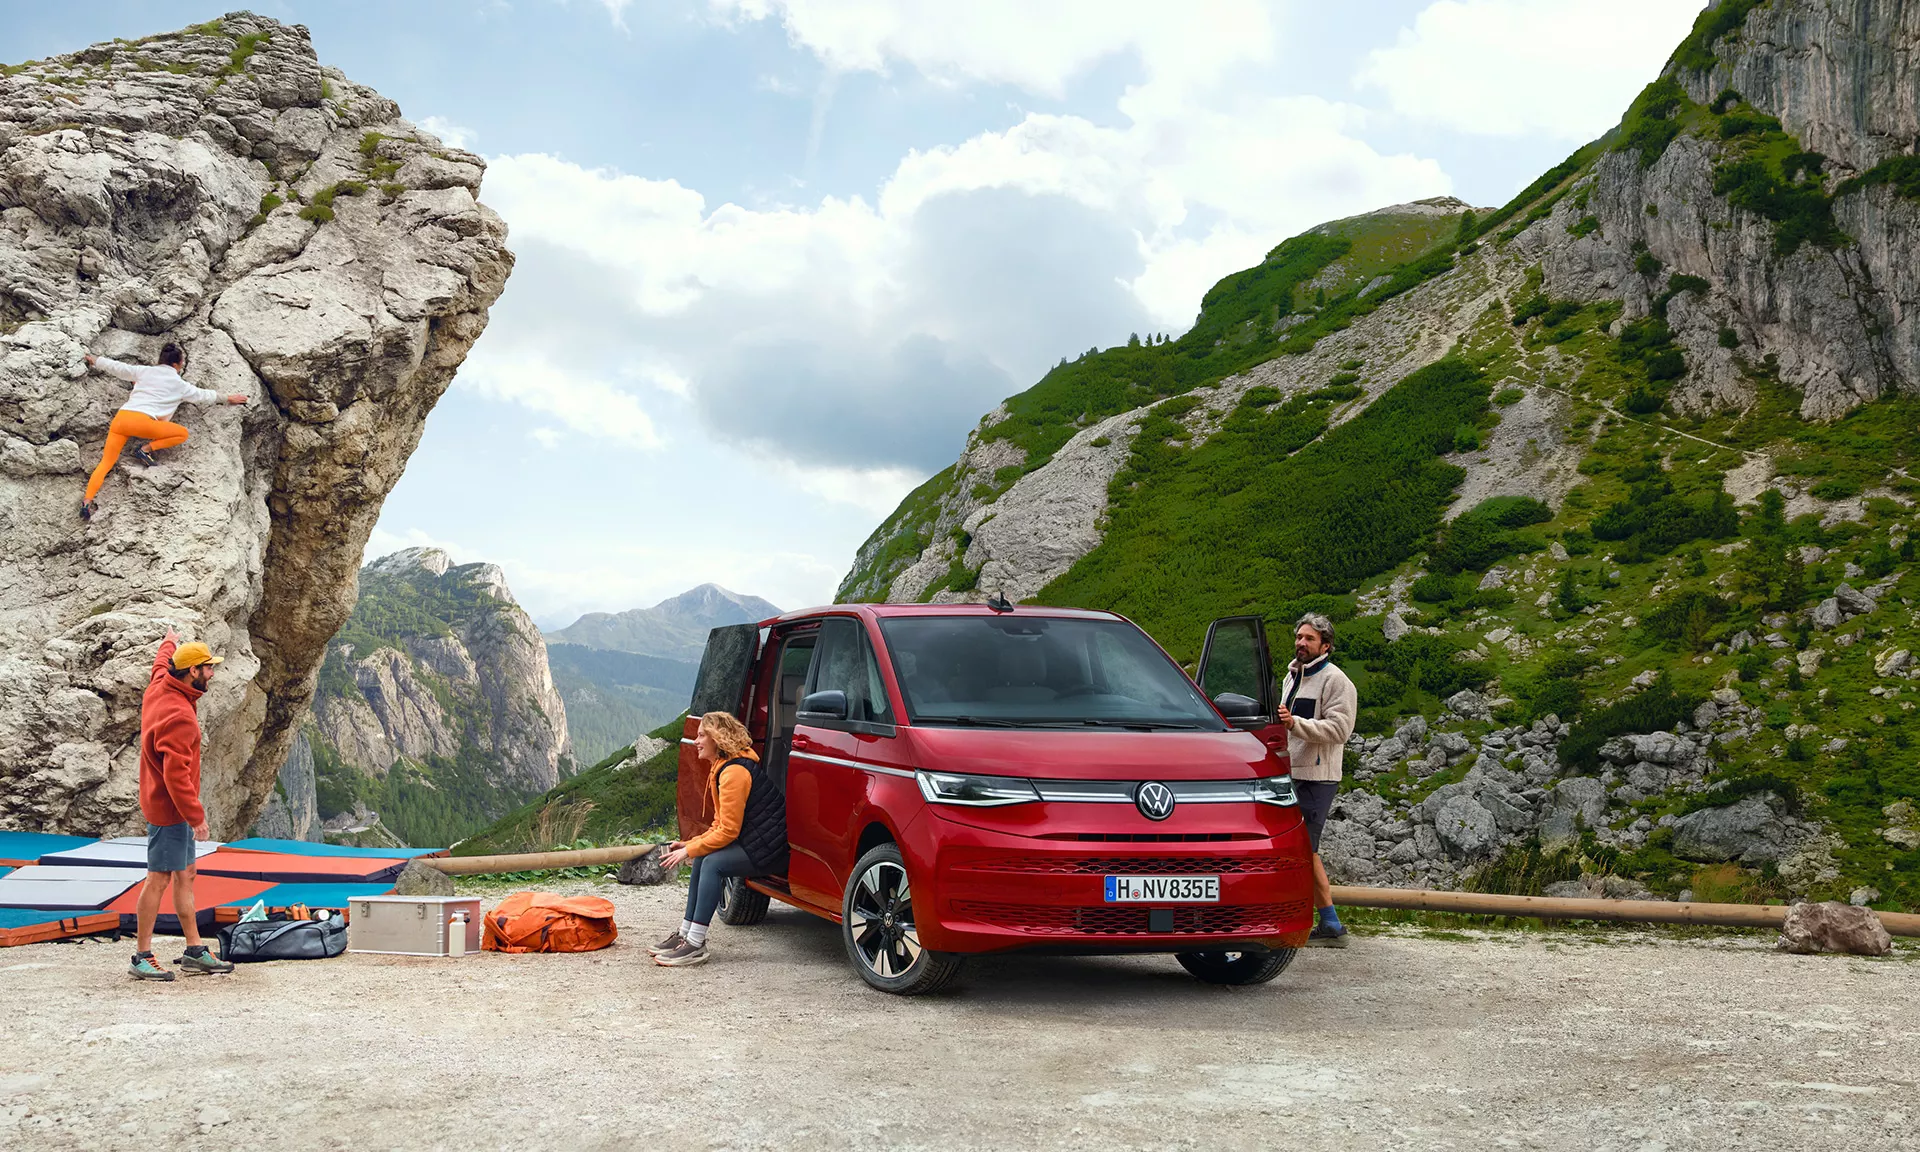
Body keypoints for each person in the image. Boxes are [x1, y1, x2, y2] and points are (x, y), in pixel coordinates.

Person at [129, 630, 235, 980]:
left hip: (165, 804)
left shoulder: (161, 684)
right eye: (208, 668)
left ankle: (194, 950)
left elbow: (161, 663)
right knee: (159, 878)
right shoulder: (179, 716)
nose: (212, 674)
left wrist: (169, 641)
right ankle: (141, 955)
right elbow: (176, 777)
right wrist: (196, 817)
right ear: (192, 671)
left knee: (186, 874)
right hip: (169, 810)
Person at [650, 711, 788, 968]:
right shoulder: (723, 766)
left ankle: (695, 944)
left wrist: (689, 850)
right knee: (702, 857)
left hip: (770, 848)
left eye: (702, 735)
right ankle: (685, 934)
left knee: (713, 864)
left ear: (718, 738)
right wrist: (691, 845)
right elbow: (720, 824)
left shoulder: (734, 772)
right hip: (755, 842)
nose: (696, 741)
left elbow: (729, 831)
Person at [80, 343, 247, 522]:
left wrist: (94, 360)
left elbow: (117, 367)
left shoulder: (144, 371)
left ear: (160, 360)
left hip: (121, 420)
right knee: (182, 433)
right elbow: (203, 395)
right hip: (143, 422)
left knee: (106, 462)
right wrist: (228, 398)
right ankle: (145, 450)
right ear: (177, 364)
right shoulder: (179, 384)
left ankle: (87, 502)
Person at [1276, 613, 1357, 948]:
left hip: (1317, 778)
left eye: (1309, 638)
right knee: (1300, 850)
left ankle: (1329, 923)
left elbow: (1340, 730)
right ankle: (1321, 921)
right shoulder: (1292, 675)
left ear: (1326, 645)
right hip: (1288, 774)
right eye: (1299, 637)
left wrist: (1295, 724)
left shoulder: (1336, 681)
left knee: (1304, 850)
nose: (1301, 643)